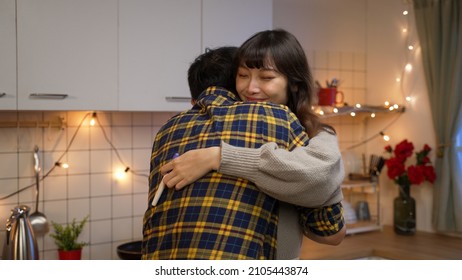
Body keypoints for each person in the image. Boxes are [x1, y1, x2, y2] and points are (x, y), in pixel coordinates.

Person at [159, 29, 346, 259]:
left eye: (266, 78)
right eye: (243, 75)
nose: (251, 88)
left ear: (294, 83)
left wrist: (219, 157)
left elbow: (324, 184)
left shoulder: (318, 133)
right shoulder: (239, 126)